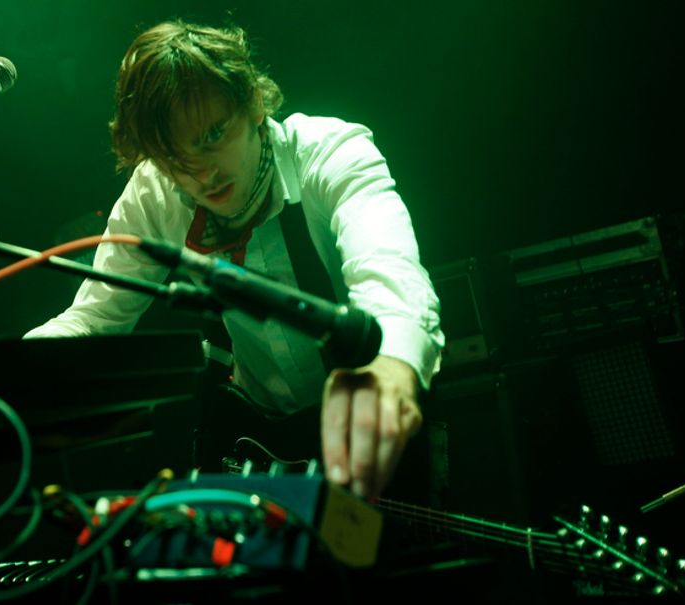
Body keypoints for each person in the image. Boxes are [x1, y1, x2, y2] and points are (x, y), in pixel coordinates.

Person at [25, 19, 444, 501]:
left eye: (214, 133)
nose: (202, 172)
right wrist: (12, 370)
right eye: (176, 157)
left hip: (381, 431)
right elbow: (94, 319)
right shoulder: (155, 193)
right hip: (262, 449)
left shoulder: (329, 151)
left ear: (254, 102)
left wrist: (391, 369)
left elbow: (390, 274)